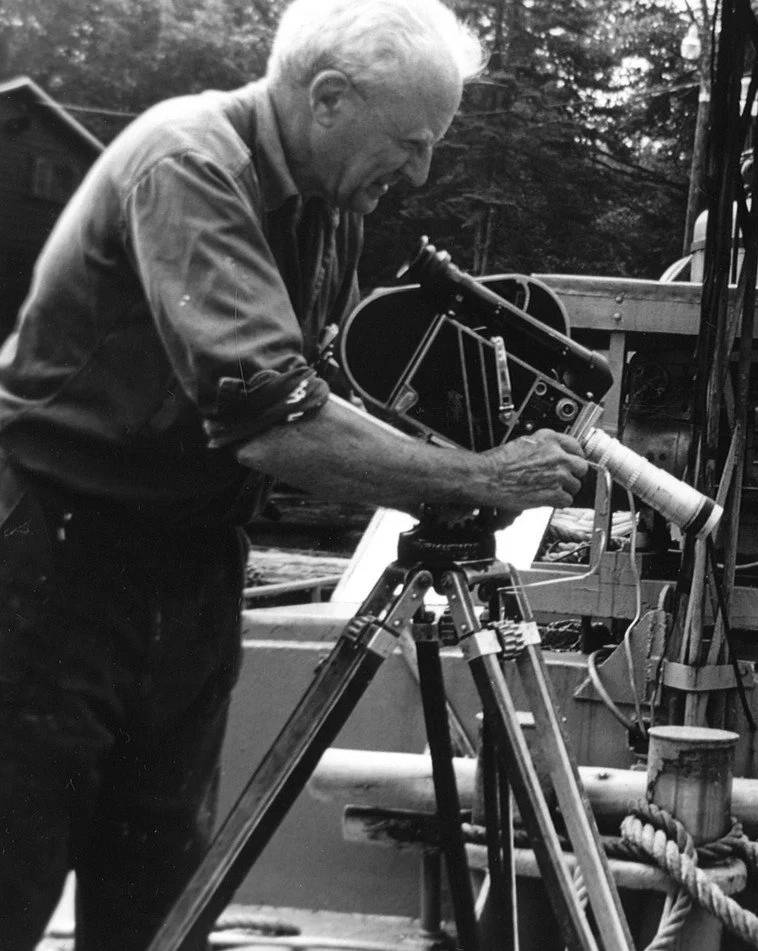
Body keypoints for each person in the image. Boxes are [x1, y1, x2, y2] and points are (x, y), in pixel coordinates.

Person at [0, 1, 590, 948]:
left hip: (191, 567)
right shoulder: (190, 164)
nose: (423, 172)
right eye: (411, 141)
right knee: (11, 864)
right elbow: (275, 425)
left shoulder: (327, 204)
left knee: (158, 898)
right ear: (327, 99)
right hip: (53, 566)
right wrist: (479, 476)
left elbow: (316, 388)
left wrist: (465, 463)